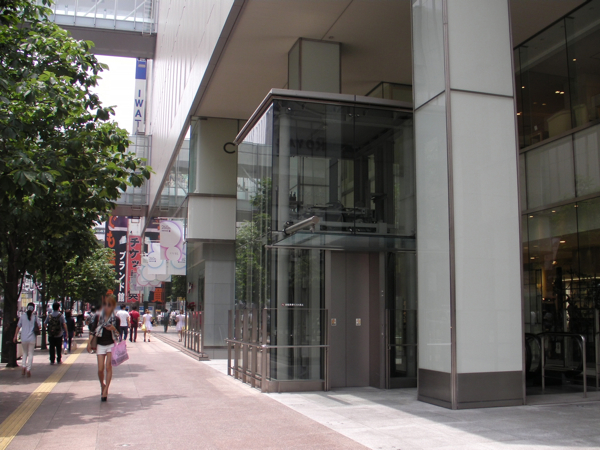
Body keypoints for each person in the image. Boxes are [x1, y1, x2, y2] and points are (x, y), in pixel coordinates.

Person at [88, 295, 119, 402]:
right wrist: (89, 343)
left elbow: (119, 335)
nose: (107, 307)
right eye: (105, 305)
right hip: (100, 345)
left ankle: (106, 390)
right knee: (100, 369)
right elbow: (92, 331)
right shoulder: (98, 317)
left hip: (111, 344)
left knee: (108, 368)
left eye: (109, 305)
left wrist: (114, 328)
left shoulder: (116, 319)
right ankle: (102, 385)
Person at [13, 303, 40, 377]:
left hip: (24, 338)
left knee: (24, 353)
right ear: (33, 309)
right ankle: (28, 369)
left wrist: (15, 336)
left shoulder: (22, 317)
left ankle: (23, 366)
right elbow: (39, 326)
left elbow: (18, 327)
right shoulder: (35, 317)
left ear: (27, 308)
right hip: (32, 338)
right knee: (30, 354)